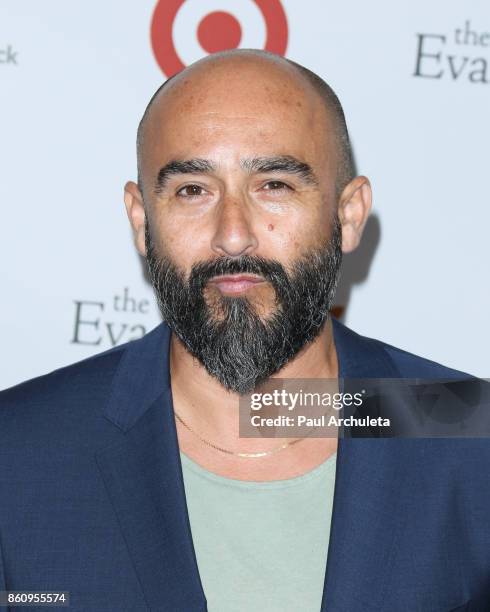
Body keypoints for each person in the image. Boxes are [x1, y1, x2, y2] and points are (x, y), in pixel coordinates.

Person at [0, 49, 489, 612]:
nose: (233, 236)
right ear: (141, 220)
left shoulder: (469, 434)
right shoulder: (17, 452)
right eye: (192, 190)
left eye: (275, 184)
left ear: (349, 214)